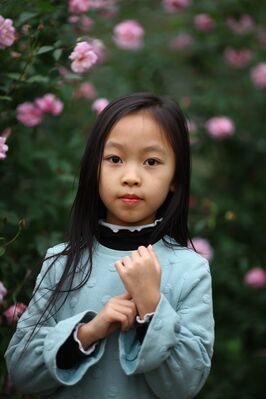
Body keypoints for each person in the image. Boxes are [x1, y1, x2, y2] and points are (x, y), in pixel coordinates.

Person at [5, 92, 214, 399]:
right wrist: (88, 332)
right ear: (94, 169)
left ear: (175, 177)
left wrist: (151, 308)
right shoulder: (60, 262)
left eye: (152, 161)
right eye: (114, 159)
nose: (130, 177)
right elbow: (21, 373)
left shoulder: (190, 270)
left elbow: (184, 386)